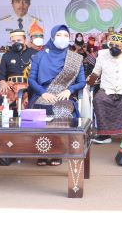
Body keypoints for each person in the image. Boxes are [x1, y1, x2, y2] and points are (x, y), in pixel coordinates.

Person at [28, 24, 86, 166]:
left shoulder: (75, 58)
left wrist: (69, 90)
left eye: (66, 35)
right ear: (53, 37)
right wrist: (43, 92)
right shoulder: (39, 56)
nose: (62, 38)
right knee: (40, 110)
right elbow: (31, 79)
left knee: (62, 110)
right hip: (43, 93)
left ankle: (58, 150)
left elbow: (82, 82)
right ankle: (41, 151)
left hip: (64, 95)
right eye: (59, 35)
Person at [88, 29, 122, 143]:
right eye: (111, 45)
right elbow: (96, 71)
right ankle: (104, 136)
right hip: (107, 88)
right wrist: (90, 79)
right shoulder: (102, 54)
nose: (113, 48)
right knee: (99, 99)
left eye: (117, 46)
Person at [0, 29, 35, 166]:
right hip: (11, 87)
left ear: (25, 40)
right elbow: (0, 74)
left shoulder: (34, 54)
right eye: (13, 41)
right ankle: (5, 147)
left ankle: (27, 145)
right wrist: (2, 81)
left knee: (30, 105)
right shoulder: (7, 55)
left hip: (29, 87)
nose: (16, 43)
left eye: (19, 40)